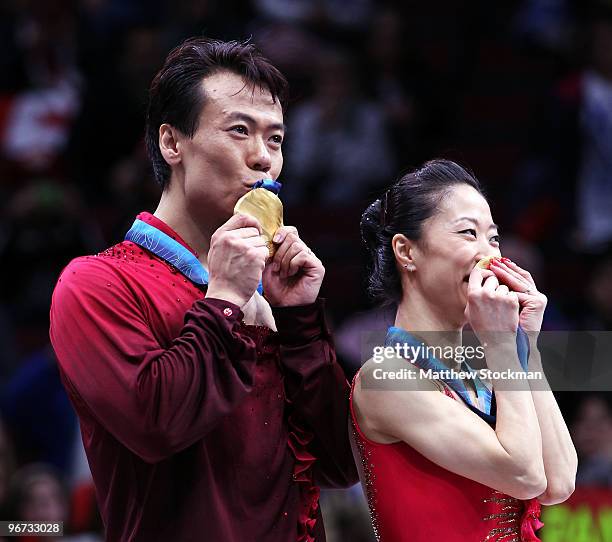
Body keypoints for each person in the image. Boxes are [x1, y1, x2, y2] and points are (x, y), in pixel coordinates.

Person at [49, 37, 358, 542]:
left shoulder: (268, 295)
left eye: (276, 140)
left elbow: (339, 465)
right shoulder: (96, 284)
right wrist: (224, 302)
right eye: (240, 130)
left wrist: (301, 324)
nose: (263, 158)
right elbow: (157, 425)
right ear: (172, 144)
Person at [351, 159, 577, 541]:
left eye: (493, 238)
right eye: (468, 233)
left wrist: (527, 344)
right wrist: (503, 345)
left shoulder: (486, 372)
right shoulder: (386, 378)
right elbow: (524, 476)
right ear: (407, 252)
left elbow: (559, 482)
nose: (488, 255)